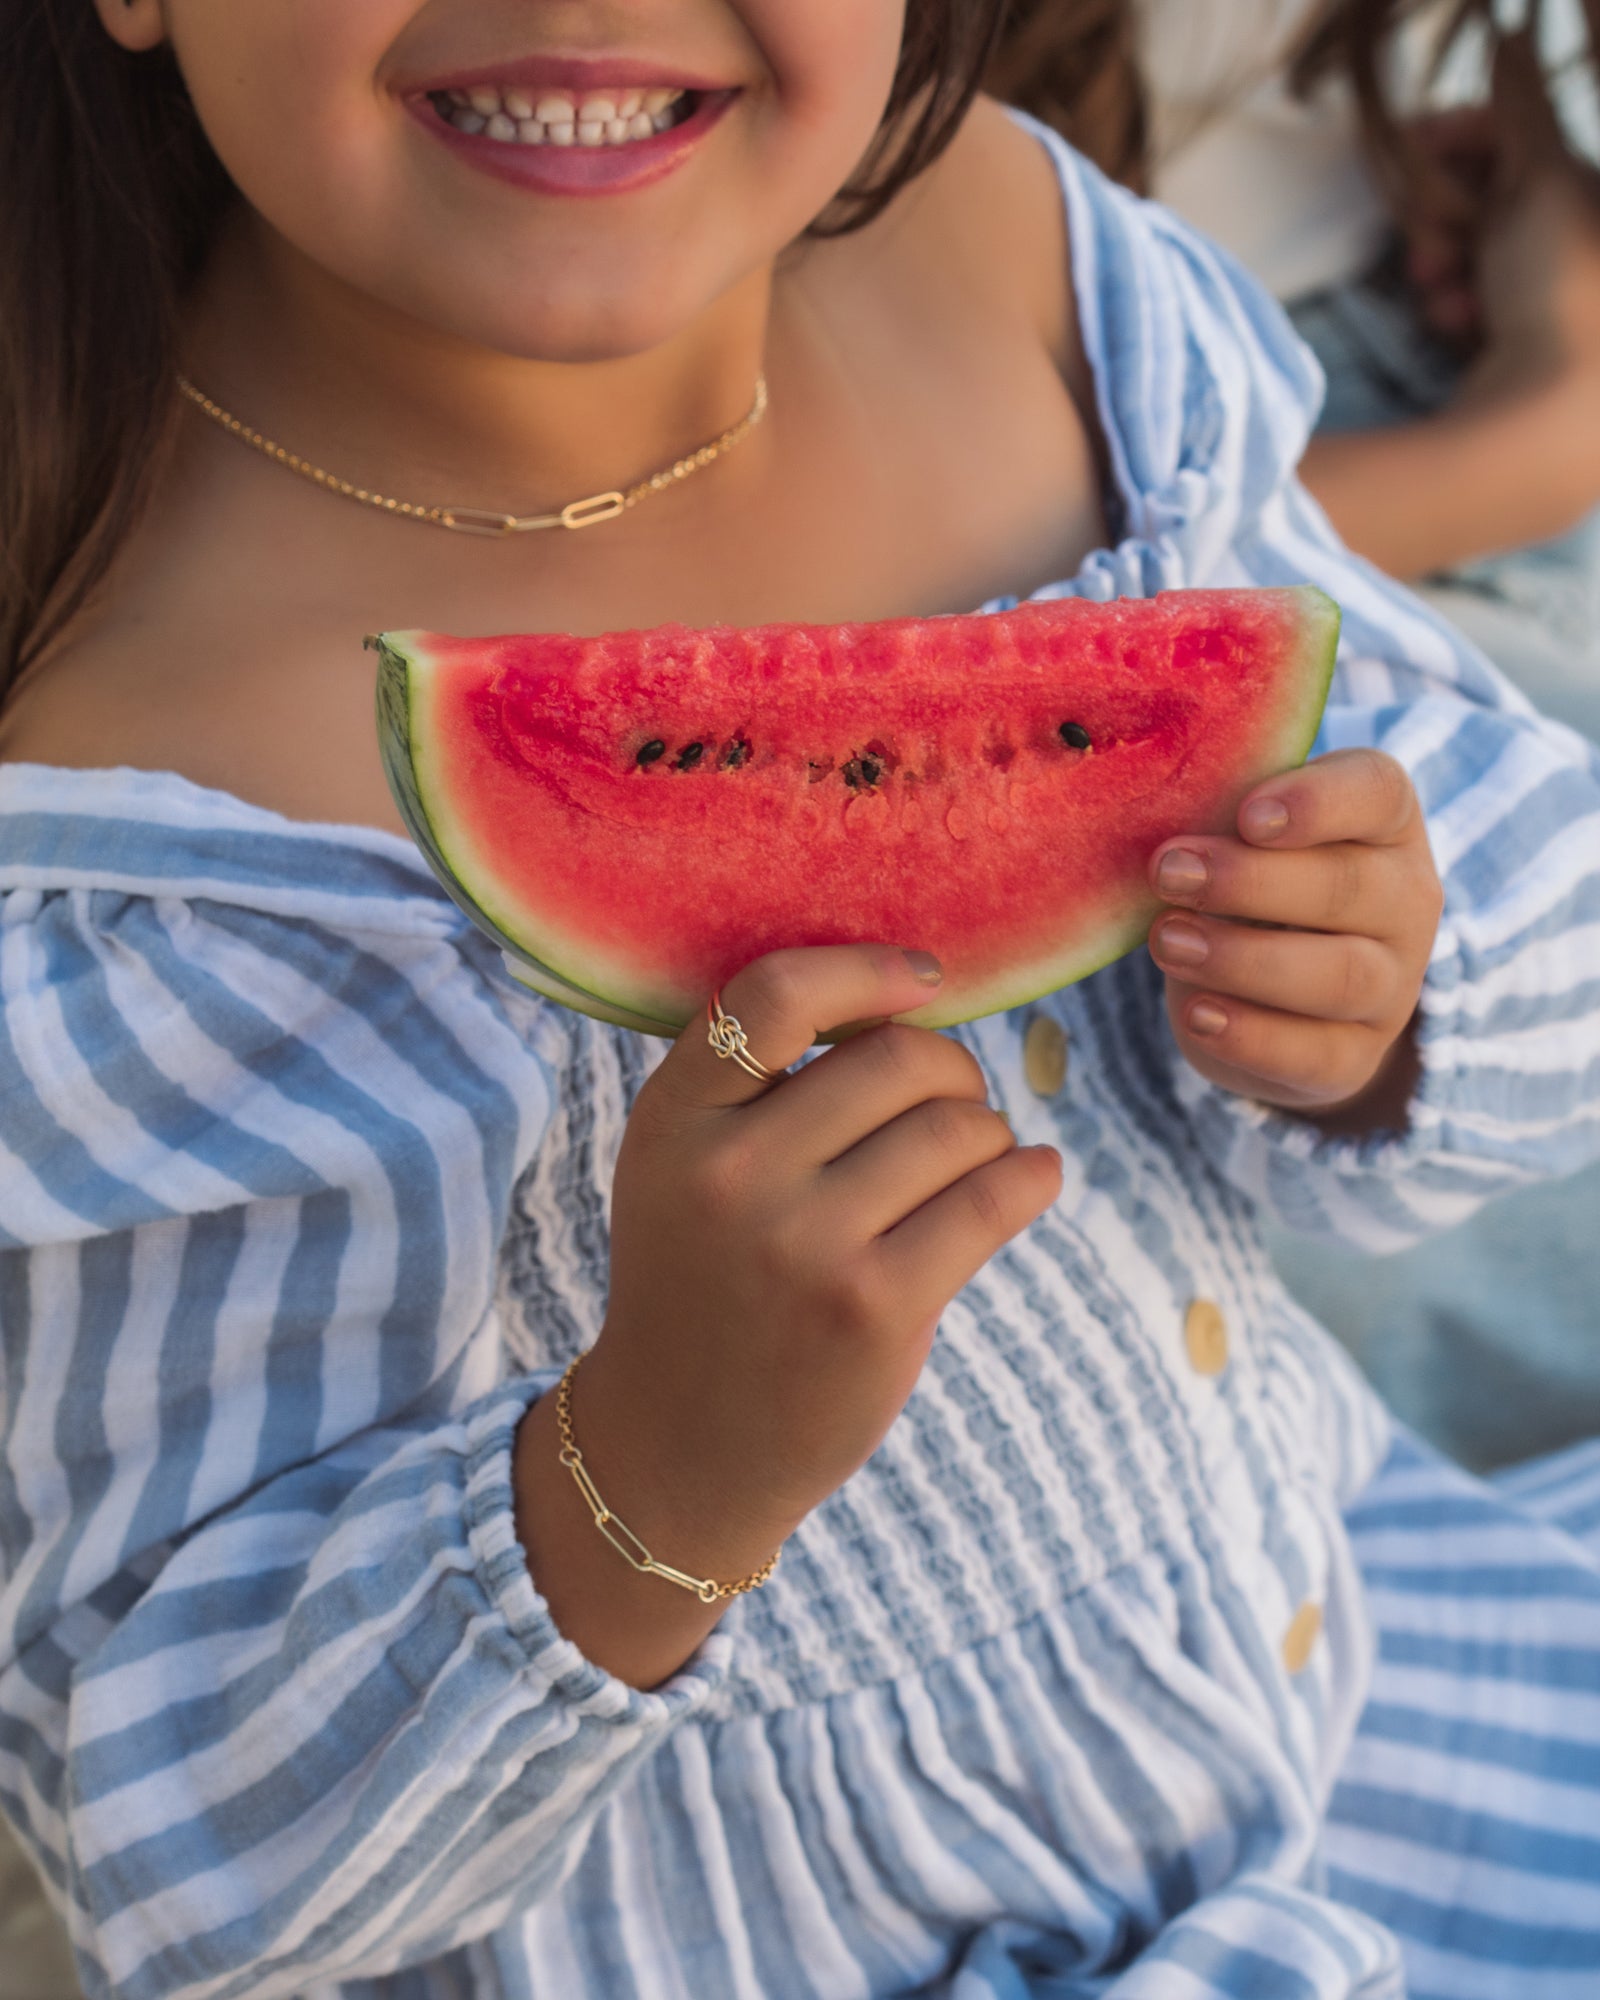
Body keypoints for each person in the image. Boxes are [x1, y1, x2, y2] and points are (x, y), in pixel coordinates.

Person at [0, 7, 1598, 2000]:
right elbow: (186, 1862)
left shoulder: (1033, 271)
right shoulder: (124, 844)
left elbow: (1480, 825)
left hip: (1341, 1710)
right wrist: (643, 1470)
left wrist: (1381, 984)